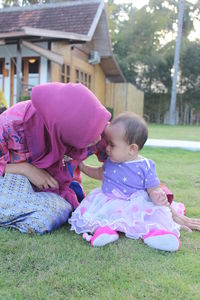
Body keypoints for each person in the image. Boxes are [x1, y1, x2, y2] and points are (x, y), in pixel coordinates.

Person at [69, 112, 200, 251]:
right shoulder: (110, 161)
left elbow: (153, 188)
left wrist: (157, 194)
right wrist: (82, 167)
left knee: (149, 217)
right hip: (108, 202)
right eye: (107, 143)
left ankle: (156, 235)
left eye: (112, 145)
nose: (106, 148)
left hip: (135, 204)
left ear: (132, 149)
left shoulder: (145, 166)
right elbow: (99, 173)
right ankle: (104, 232)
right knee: (99, 217)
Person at [0, 82, 111, 234]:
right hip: (15, 184)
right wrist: (26, 169)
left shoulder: (92, 121)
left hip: (59, 192)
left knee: (56, 211)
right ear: (59, 133)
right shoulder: (11, 125)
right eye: (88, 137)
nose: (98, 139)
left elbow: (122, 164)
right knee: (46, 214)